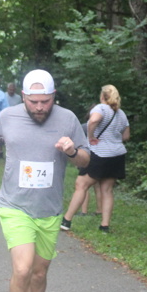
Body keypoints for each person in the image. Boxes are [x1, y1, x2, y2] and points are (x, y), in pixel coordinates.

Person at [0, 69, 90, 292]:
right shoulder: (8, 116)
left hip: (49, 209)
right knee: (23, 268)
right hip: (14, 205)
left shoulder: (67, 119)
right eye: (33, 102)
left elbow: (86, 158)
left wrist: (72, 151)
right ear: (24, 97)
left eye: (45, 101)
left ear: (54, 96)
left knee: (39, 274)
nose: (39, 107)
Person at [60, 85, 130, 233]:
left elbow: (93, 121)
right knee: (107, 190)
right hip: (117, 155)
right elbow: (126, 136)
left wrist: (91, 136)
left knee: (81, 185)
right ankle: (104, 226)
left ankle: (66, 220)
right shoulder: (121, 113)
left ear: (102, 96)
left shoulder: (101, 108)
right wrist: (113, 139)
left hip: (100, 153)